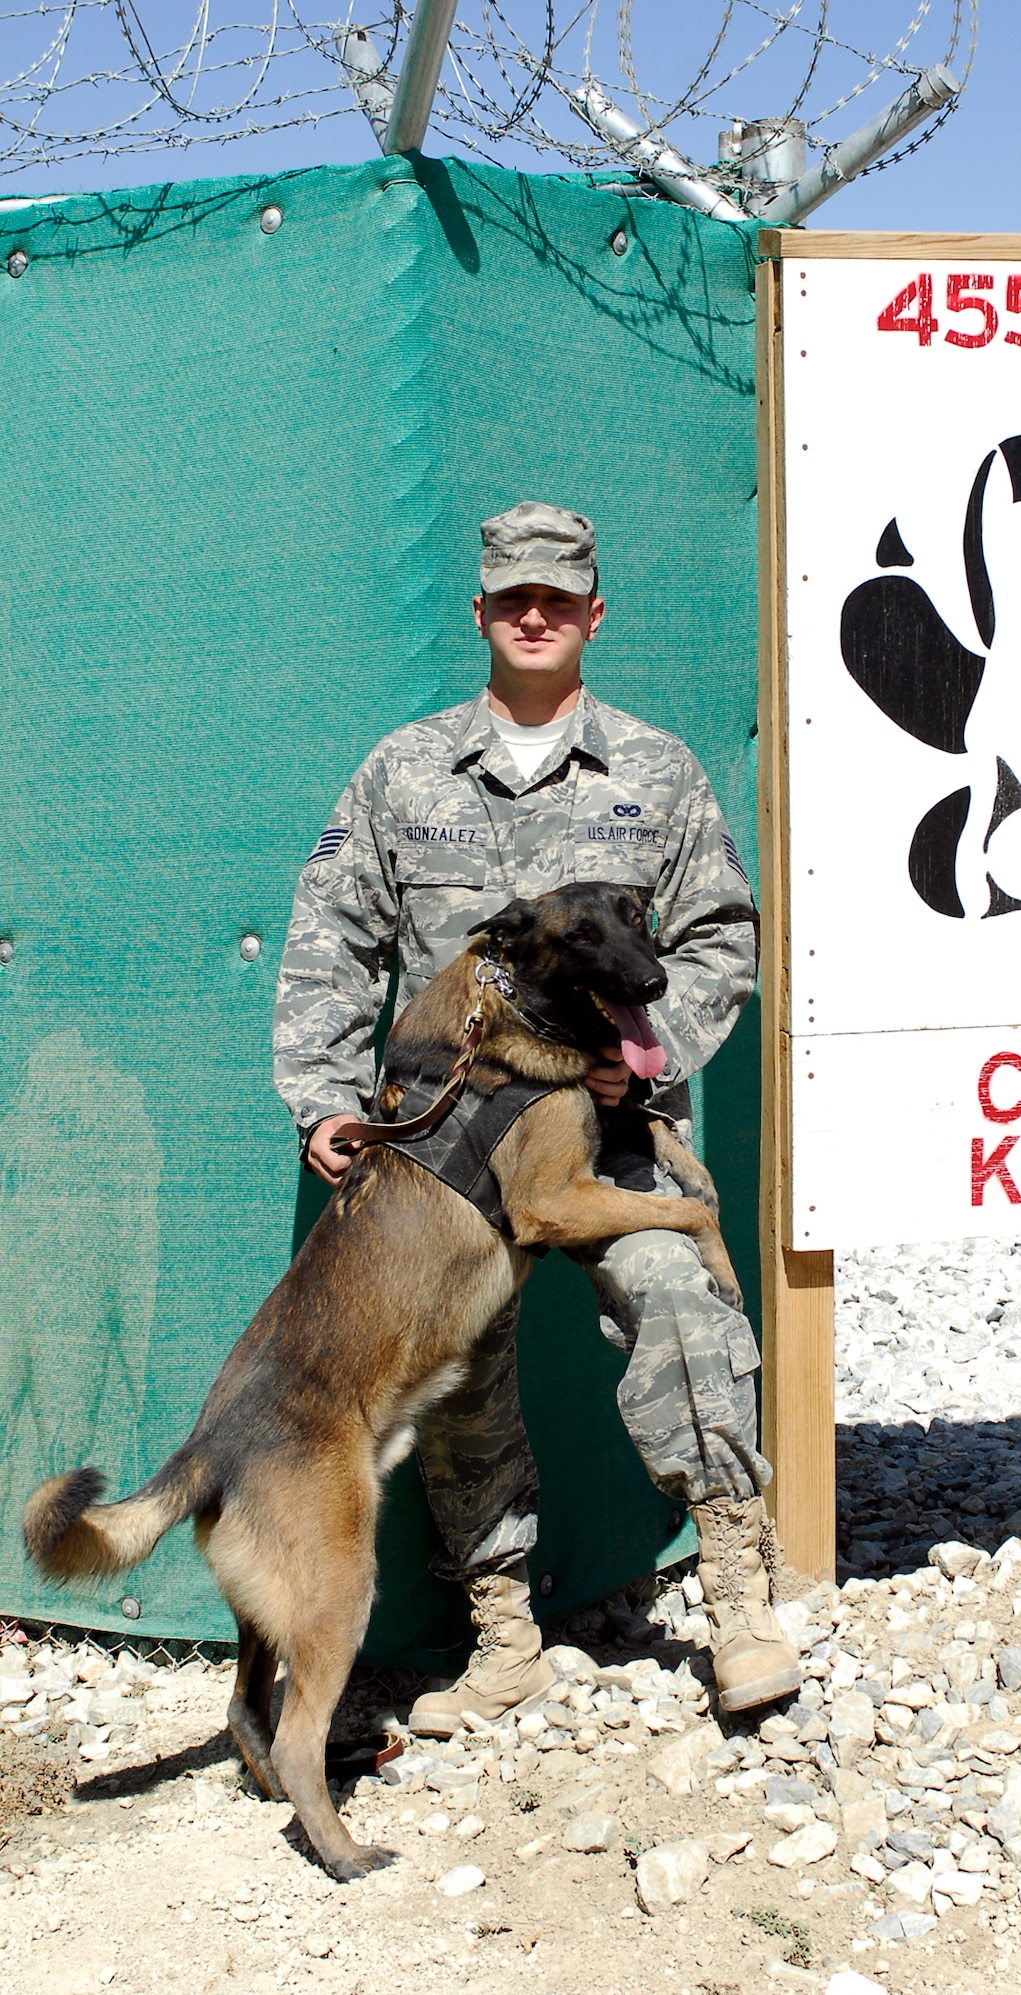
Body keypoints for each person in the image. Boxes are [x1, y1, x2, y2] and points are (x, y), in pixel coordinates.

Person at [272, 500, 801, 1724]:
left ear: (591, 615)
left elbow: (721, 934)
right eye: (513, 593)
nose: (534, 613)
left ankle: (737, 1587)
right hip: (445, 1151)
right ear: (481, 611)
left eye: (557, 597)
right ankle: (500, 1627)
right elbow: (330, 944)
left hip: (606, 1132)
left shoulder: (657, 769)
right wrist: (324, 1097)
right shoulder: (403, 771)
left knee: (681, 1294)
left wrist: (646, 1072)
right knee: (458, 1366)